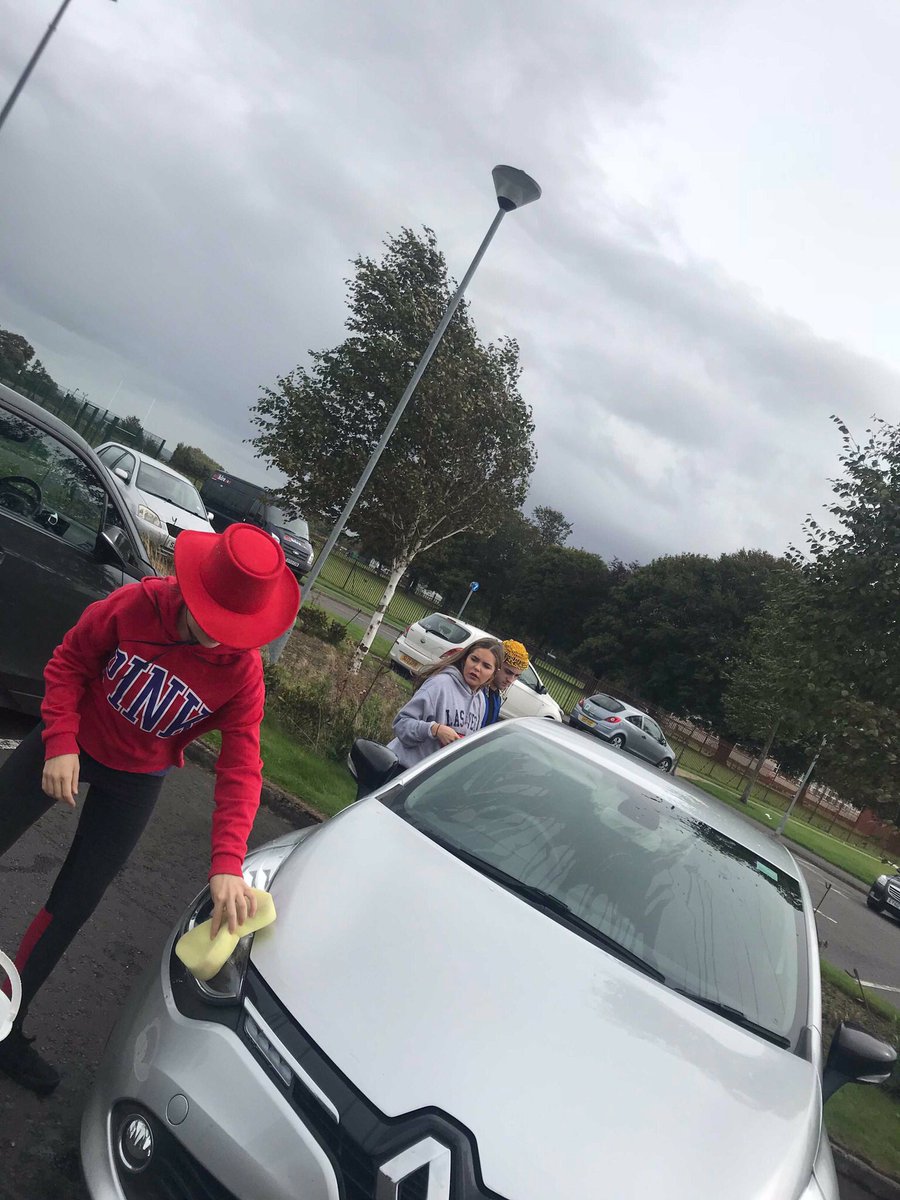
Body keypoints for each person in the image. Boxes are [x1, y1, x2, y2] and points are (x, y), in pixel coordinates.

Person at [0, 523, 300, 1095]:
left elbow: (242, 766)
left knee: (74, 903)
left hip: (137, 777)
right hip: (77, 737)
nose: (219, 642)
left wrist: (226, 863)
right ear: (190, 591)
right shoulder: (135, 605)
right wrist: (61, 741)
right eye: (212, 623)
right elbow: (69, 663)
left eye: (236, 631)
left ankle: (7, 1025)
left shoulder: (243, 672)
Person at [388, 639, 502, 768]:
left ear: (493, 674)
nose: (477, 668)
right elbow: (401, 724)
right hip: (402, 770)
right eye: (474, 659)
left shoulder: (480, 701)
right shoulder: (440, 684)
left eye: (486, 666)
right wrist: (434, 729)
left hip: (430, 780)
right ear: (465, 659)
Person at [482, 639, 530, 727]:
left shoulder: (497, 697)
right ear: (497, 664)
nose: (511, 680)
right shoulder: (476, 690)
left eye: (516, 676)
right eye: (508, 672)